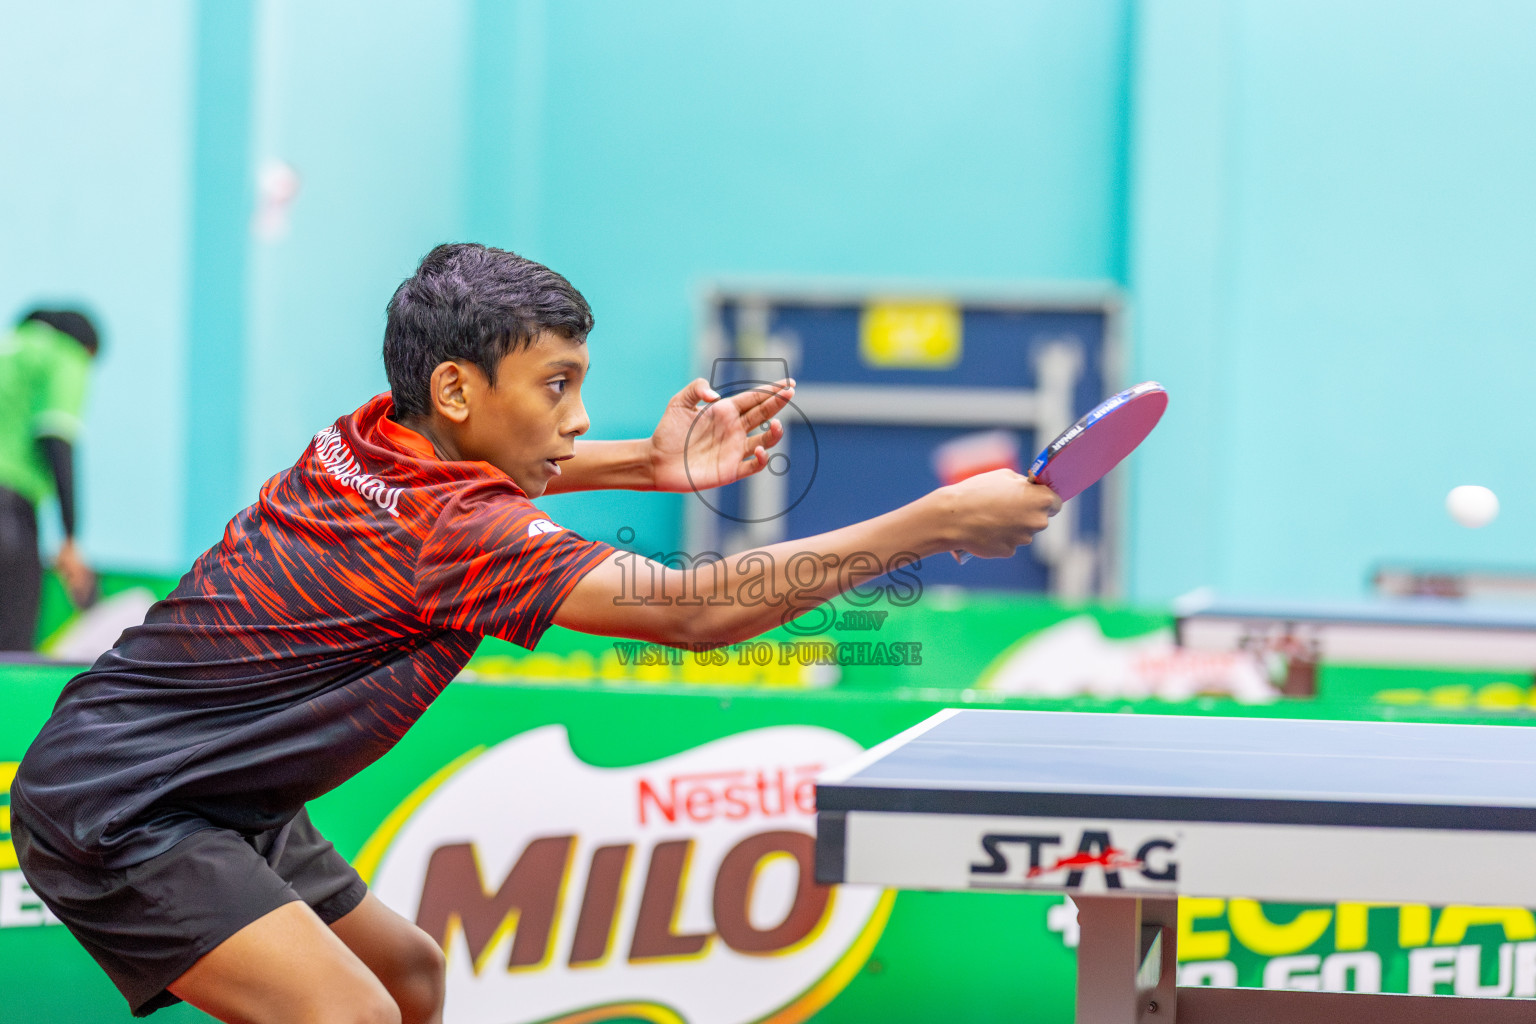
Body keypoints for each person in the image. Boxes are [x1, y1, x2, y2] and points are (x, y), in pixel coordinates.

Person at [10, 244, 1059, 1023]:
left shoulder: (367, 431)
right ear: (459, 387)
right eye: (558, 389)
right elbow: (695, 612)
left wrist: (647, 465)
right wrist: (938, 520)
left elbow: (491, 462)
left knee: (411, 979)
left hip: (218, 783)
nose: (573, 419)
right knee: (352, 1018)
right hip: (126, 803)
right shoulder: (460, 533)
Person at [0, 308, 99, 651]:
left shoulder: (10, 347)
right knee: (11, 648)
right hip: (8, 509)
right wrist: (70, 538)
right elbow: (56, 438)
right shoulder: (64, 354)